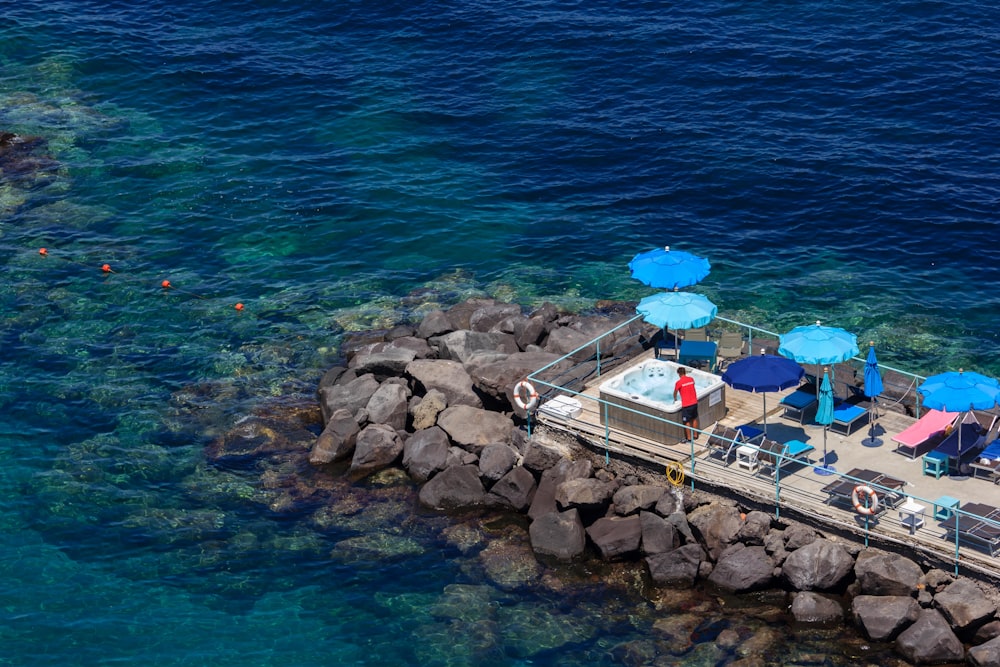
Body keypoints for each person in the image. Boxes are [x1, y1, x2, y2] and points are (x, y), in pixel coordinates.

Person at [673, 366, 699, 442]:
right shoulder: (691, 379)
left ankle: (689, 438)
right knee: (694, 418)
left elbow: (675, 392)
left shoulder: (679, 383)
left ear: (678, 374)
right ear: (685, 372)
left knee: (686, 421)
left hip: (686, 404)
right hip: (694, 402)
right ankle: (695, 435)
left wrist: (675, 398)